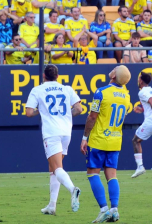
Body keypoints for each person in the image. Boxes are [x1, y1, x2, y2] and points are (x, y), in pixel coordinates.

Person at [25, 64, 82, 215]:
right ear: (57, 76)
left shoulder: (38, 90)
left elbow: (29, 113)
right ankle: (52, 206)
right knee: (54, 169)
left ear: (43, 76)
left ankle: (73, 189)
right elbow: (79, 109)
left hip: (52, 132)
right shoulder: (67, 89)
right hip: (66, 132)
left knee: (57, 168)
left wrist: (41, 111)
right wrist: (66, 116)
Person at [80, 65, 131, 223]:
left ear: (114, 75)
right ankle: (114, 210)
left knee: (93, 173)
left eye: (116, 68)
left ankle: (103, 209)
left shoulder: (101, 92)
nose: (113, 69)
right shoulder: (126, 95)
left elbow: (92, 117)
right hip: (115, 140)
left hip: (99, 139)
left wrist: (84, 137)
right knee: (112, 176)